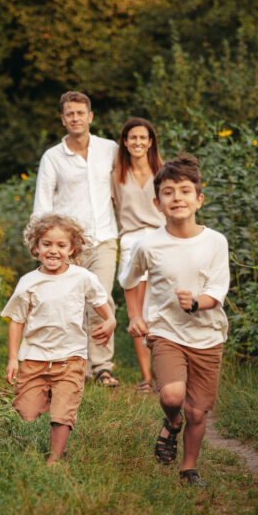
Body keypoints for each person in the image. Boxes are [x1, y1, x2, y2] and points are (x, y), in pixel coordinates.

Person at [121, 154, 229, 487]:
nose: (177, 198)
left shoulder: (215, 242)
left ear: (199, 199)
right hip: (166, 331)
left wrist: (196, 302)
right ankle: (172, 421)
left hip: (208, 336)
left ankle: (188, 469)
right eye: (168, 192)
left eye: (185, 191)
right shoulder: (149, 244)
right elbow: (129, 281)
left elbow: (217, 291)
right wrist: (135, 315)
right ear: (157, 203)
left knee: (197, 411)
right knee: (171, 396)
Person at [2, 214, 116, 463]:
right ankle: (50, 396)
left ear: (72, 249)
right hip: (35, 358)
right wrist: (12, 359)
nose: (53, 250)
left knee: (62, 414)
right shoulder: (28, 283)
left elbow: (100, 301)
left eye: (61, 245)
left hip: (70, 358)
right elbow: (16, 320)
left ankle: (54, 459)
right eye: (47, 244)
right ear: (36, 246)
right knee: (26, 412)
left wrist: (110, 320)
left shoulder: (82, 277)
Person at [33, 91, 121, 387]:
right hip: (68, 245)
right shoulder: (53, 157)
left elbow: (130, 179)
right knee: (71, 304)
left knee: (101, 299)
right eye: (69, 114)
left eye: (80, 113)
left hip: (104, 238)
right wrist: (42, 244)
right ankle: (76, 365)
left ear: (90, 116)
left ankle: (103, 366)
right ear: (62, 119)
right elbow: (42, 204)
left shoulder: (109, 149)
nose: (75, 118)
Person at [112, 117, 166, 393]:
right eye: (132, 137)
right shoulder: (117, 175)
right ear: (124, 142)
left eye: (143, 137)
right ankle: (146, 377)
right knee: (137, 312)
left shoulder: (162, 172)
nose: (137, 142)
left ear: (150, 142)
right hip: (131, 241)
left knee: (160, 308)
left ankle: (165, 373)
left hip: (160, 239)